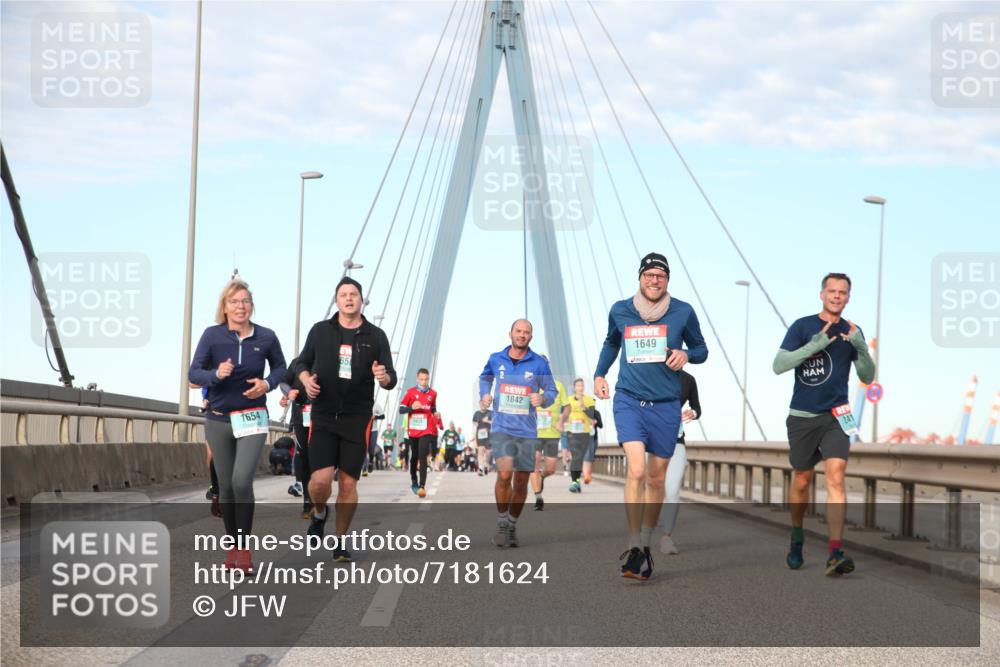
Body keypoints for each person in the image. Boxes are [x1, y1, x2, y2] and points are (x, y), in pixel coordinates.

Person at [594, 252, 707, 581]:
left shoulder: (683, 311)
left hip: (666, 404)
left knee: (657, 479)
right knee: (638, 470)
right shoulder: (621, 310)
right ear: (640, 278)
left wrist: (687, 353)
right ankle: (633, 544)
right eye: (649, 275)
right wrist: (600, 374)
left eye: (660, 275)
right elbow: (611, 343)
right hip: (629, 399)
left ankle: (645, 546)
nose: (654, 280)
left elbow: (701, 349)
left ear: (667, 279)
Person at [773, 272, 874, 576]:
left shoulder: (852, 331)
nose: (837, 296)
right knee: (802, 478)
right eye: (832, 291)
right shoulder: (802, 326)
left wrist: (862, 347)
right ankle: (796, 536)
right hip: (802, 417)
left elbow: (867, 377)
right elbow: (778, 366)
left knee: (836, 478)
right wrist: (812, 346)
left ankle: (835, 551)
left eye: (842, 292)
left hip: (836, 417)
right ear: (822, 294)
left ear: (848, 297)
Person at [291, 277, 396, 562]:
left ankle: (341, 542)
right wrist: (305, 380)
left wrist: (383, 376)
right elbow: (300, 363)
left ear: (361, 300)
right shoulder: (320, 331)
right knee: (320, 481)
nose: (348, 299)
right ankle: (320, 512)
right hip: (323, 414)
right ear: (336, 300)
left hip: (356, 417)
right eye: (343, 295)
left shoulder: (376, 336)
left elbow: (391, 379)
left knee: (348, 484)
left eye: (353, 294)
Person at [189, 278, 286, 573]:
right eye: (234, 301)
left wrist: (267, 384)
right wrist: (216, 374)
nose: (240, 306)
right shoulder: (212, 336)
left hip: (252, 416)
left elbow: (282, 368)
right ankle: (232, 545)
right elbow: (194, 373)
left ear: (251, 305)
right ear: (225, 307)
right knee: (228, 487)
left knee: (242, 481)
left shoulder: (266, 337)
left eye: (245, 301)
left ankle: (244, 550)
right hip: (218, 419)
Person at [479, 319, 557, 548]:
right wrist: (485, 394)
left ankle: (512, 524)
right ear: (510, 334)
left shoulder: (539, 364)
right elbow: (485, 378)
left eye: (526, 332)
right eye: (518, 331)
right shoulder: (496, 359)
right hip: (502, 428)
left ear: (531, 337)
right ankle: (502, 522)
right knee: (504, 475)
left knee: (522, 481)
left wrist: (543, 399)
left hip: (527, 431)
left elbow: (551, 389)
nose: (522, 335)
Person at [659, 370, 701, 555]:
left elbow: (697, 407)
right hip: (650, 441)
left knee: (673, 490)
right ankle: (640, 537)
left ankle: (666, 537)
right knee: (651, 488)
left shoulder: (688, 379)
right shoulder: (651, 372)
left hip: (676, 440)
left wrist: (693, 413)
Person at [400, 368, 440, 497]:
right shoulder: (410, 392)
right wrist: (412, 407)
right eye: (421, 379)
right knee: (415, 456)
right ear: (417, 379)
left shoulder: (433, 393)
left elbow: (433, 407)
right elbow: (401, 409)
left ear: (429, 379)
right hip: (413, 430)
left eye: (426, 379)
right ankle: (414, 480)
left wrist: (435, 413)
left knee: (423, 456)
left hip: (426, 430)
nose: (424, 382)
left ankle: (422, 486)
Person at [531, 373, 567, 510]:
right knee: (534, 464)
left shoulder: (558, 385)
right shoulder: (530, 385)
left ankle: (542, 476)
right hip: (533, 433)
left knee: (551, 469)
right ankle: (538, 497)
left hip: (552, 433)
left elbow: (567, 406)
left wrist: (561, 421)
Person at [565, 379, 596, 494]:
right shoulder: (568, 400)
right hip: (572, 432)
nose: (580, 388)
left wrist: (583, 407)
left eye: (582, 385)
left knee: (580, 458)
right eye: (578, 385)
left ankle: (576, 481)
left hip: (584, 432)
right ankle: (574, 482)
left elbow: (592, 415)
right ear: (574, 388)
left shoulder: (589, 400)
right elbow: (564, 414)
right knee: (576, 456)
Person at [582, 407, 603, 485]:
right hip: (585, 438)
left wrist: (596, 422)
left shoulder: (596, 413)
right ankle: (586, 476)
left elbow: (601, 425)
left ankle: (588, 474)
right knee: (587, 457)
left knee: (590, 457)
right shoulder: (582, 412)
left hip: (594, 438)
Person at [472, 408, 493, 476]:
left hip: (489, 434)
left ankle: (486, 465)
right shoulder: (477, 413)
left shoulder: (491, 412)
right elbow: (474, 422)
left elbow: (496, 422)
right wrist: (475, 424)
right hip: (480, 434)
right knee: (480, 451)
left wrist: (487, 421)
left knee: (488, 452)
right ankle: (480, 468)